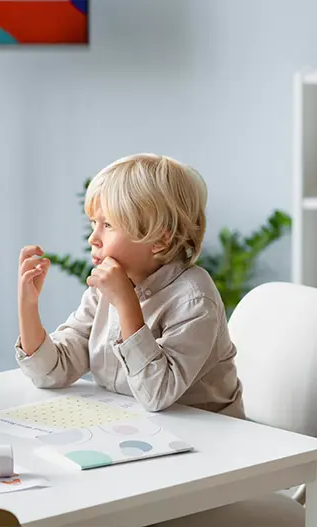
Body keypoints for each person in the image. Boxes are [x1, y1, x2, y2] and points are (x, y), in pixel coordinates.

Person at [15, 153, 244, 418]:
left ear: (159, 240)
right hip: (138, 426)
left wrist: (126, 303)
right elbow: (51, 373)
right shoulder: (102, 291)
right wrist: (28, 306)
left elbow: (157, 393)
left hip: (209, 435)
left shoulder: (194, 298)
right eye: (94, 223)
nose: (93, 238)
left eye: (108, 224)